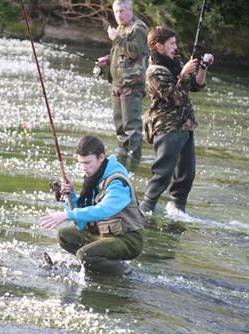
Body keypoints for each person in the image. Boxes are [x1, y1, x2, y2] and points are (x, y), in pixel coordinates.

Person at [40, 135, 144, 274]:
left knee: (85, 255)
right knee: (64, 235)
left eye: (88, 162)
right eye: (81, 163)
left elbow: (104, 210)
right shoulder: (93, 178)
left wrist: (66, 215)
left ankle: (125, 273)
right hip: (103, 233)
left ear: (101, 157)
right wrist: (69, 195)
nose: (84, 168)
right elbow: (81, 224)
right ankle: (94, 264)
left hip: (127, 239)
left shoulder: (117, 182)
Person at [140, 25, 214, 214]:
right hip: (167, 128)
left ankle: (177, 209)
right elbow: (176, 97)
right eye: (171, 43)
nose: (175, 47)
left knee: (186, 174)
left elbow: (196, 86)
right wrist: (182, 75)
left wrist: (202, 68)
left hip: (185, 126)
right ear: (159, 46)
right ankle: (144, 209)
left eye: (175, 43)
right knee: (162, 174)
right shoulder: (154, 72)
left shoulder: (175, 63)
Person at [95, 0, 148, 170]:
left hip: (131, 86)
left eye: (122, 11)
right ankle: (121, 165)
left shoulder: (138, 28)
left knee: (132, 129)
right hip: (117, 86)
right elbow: (120, 55)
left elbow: (134, 51)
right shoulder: (120, 28)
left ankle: (133, 167)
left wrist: (115, 38)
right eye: (116, 12)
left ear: (130, 10)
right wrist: (107, 59)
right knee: (120, 129)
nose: (119, 15)